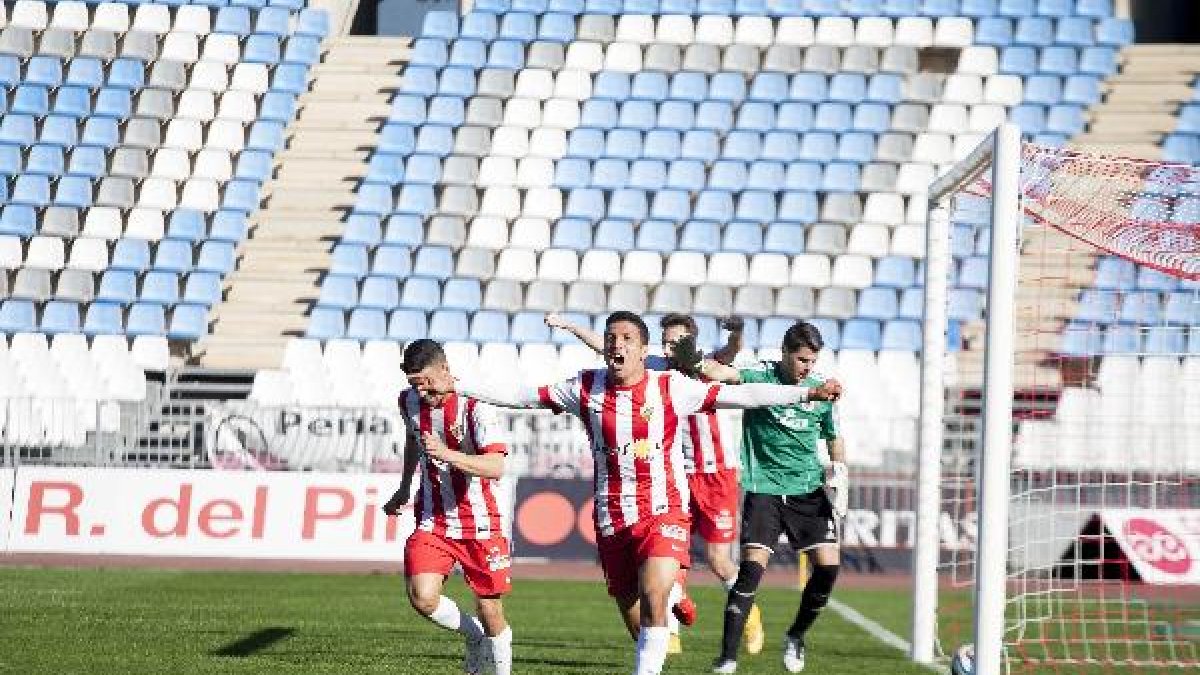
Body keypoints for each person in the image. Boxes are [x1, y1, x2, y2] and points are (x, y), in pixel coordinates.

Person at [412, 311, 842, 675]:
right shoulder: (585, 387)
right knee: (639, 623)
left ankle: (673, 596)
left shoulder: (670, 387)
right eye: (611, 337)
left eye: (627, 338)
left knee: (656, 596)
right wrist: (458, 385)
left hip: (663, 511)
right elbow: (521, 397)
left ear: (642, 349)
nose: (617, 344)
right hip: (612, 519)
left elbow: (744, 393)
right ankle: (667, 613)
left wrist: (805, 393)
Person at [545, 312, 766, 656]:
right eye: (666, 341)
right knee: (662, 549)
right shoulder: (656, 368)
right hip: (671, 473)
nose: (670, 347)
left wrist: (737, 331)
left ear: (692, 343)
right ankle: (670, 614)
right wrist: (573, 328)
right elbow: (608, 348)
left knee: (717, 561)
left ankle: (747, 615)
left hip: (714, 472)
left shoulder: (705, 365)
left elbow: (733, 352)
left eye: (677, 341)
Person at [703, 321, 849, 674]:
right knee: (751, 572)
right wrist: (699, 363)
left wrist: (841, 471)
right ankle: (727, 658)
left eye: (812, 361)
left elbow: (833, 435)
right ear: (784, 353)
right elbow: (722, 374)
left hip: (808, 490)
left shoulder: (821, 391)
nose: (807, 368)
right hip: (764, 488)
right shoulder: (761, 377)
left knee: (828, 567)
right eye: (801, 360)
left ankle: (796, 636)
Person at [383, 339, 515, 675]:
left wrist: (448, 454)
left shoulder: (476, 405)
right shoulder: (407, 401)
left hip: (480, 521)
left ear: (445, 369)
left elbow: (496, 466)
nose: (423, 392)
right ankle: (473, 639)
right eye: (415, 384)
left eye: (428, 383)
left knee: (490, 611)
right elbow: (414, 440)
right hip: (433, 519)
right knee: (422, 597)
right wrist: (403, 487)